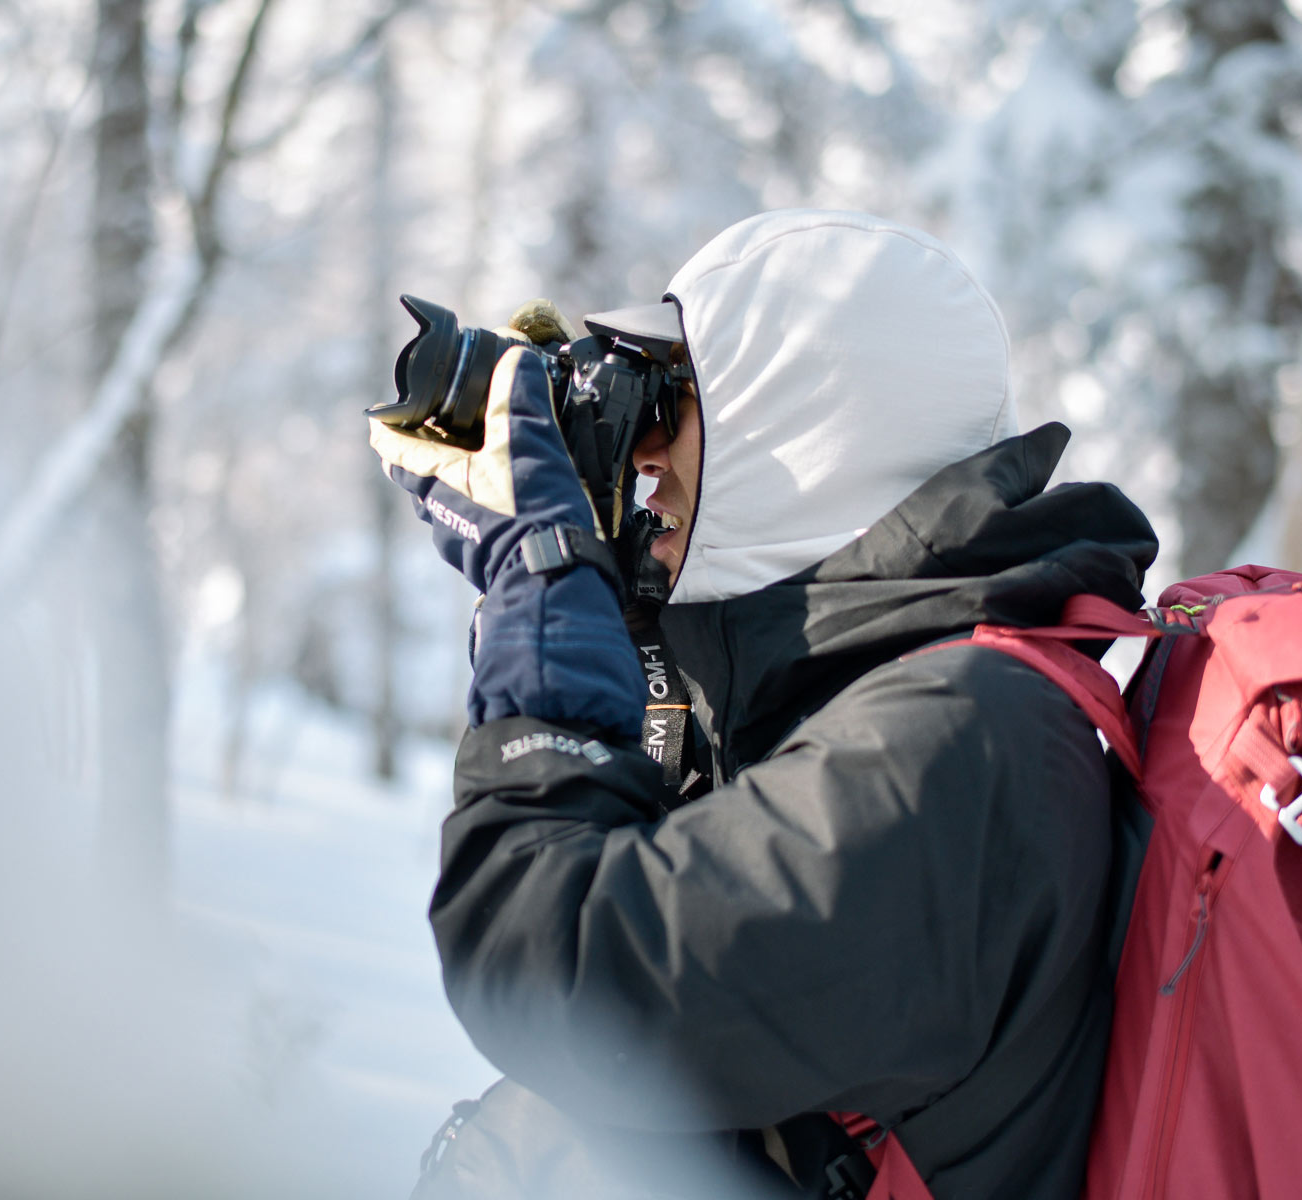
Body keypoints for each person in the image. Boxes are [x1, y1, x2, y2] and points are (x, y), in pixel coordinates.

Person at [369, 210, 1158, 1198]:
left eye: (671, 400)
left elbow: (553, 975)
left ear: (796, 424)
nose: (642, 454)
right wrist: (592, 582)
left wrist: (548, 591)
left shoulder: (959, 742)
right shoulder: (852, 692)